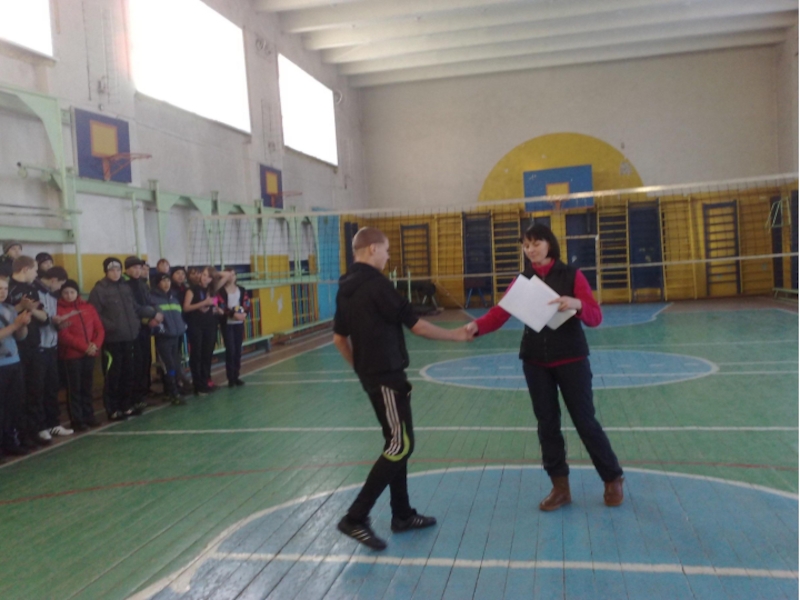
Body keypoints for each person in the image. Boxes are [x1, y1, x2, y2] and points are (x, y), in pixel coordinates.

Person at [464, 223, 624, 510]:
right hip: (535, 362)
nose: (530, 249)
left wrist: (576, 303)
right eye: (526, 245)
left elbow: (595, 316)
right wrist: (477, 326)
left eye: (536, 243)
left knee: (585, 422)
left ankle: (612, 478)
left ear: (549, 243)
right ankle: (560, 487)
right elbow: (500, 313)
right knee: (547, 425)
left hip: (572, 360)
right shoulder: (521, 281)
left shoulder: (572, 275)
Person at [333, 227, 473, 550]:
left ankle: (402, 514)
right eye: (385, 250)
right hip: (386, 376)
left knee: (396, 442)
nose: (388, 256)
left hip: (376, 376)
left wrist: (360, 368)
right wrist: (455, 336)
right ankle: (355, 517)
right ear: (371, 249)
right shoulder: (377, 285)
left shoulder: (345, 287)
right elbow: (417, 325)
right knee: (400, 446)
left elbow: (339, 339)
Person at [89, 257, 158, 421]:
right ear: (106, 271)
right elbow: (94, 314)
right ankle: (113, 409)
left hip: (130, 337)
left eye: (118, 270)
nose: (115, 273)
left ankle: (126, 406)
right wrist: (111, 326)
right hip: (112, 340)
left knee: (129, 373)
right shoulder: (99, 290)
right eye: (112, 270)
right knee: (114, 375)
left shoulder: (125, 287)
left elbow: (134, 308)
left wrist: (151, 312)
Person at [7, 255, 52, 448]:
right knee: (20, 395)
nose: (36, 274)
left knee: (36, 390)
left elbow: (44, 317)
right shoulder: (8, 288)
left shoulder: (33, 289)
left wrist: (32, 310)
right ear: (25, 269)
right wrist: (20, 307)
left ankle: (36, 430)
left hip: (34, 345)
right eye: (34, 270)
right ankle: (21, 434)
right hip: (16, 349)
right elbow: (6, 313)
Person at [57, 280, 104, 431]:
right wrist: (85, 347)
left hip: (90, 354)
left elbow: (99, 329)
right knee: (74, 389)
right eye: (65, 293)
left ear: (77, 293)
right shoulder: (59, 310)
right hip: (71, 356)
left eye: (72, 292)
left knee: (87, 386)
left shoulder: (88, 307)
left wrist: (95, 345)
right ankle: (77, 420)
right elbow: (64, 335)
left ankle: (89, 415)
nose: (69, 295)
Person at [36, 266, 73, 438]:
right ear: (53, 280)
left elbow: (51, 319)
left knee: (52, 387)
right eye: (60, 285)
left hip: (52, 346)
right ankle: (40, 426)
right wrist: (50, 320)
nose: (60, 289)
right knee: (39, 389)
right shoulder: (35, 293)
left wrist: (59, 324)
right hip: (39, 347)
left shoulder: (52, 295)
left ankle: (53, 423)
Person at [182, 267, 228, 395]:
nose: (204, 277)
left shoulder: (211, 290)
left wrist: (213, 273)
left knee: (207, 354)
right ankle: (198, 384)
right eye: (203, 274)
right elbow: (186, 307)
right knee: (197, 354)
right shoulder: (192, 290)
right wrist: (203, 303)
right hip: (196, 325)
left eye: (208, 276)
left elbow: (227, 275)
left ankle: (206, 380)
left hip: (210, 325)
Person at [0, 277, 32, 457]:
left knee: (13, 406)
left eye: (5, 288)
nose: (3, 292)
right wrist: (15, 325)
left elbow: (20, 336)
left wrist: (23, 325)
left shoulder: (9, 309)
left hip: (14, 362)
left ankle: (10, 441)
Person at [148, 273, 188, 405]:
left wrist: (182, 326)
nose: (167, 284)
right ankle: (173, 392)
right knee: (168, 366)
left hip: (176, 336)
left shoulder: (173, 298)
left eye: (168, 281)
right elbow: (151, 319)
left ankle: (174, 389)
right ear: (158, 283)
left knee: (175, 364)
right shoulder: (152, 299)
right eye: (163, 281)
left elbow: (178, 316)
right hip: (164, 338)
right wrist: (160, 329)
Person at [123, 256, 155, 409]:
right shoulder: (125, 286)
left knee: (145, 361)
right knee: (136, 363)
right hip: (134, 329)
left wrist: (156, 314)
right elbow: (133, 307)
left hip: (145, 328)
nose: (137, 271)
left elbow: (150, 301)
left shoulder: (142, 285)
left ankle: (143, 393)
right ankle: (135, 396)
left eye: (139, 268)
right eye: (134, 268)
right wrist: (148, 315)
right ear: (127, 269)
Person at [216, 269, 250, 387]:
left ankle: (236, 375)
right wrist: (233, 314)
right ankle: (230, 377)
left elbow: (246, 303)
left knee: (237, 350)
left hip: (238, 324)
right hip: (227, 324)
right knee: (230, 350)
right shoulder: (221, 291)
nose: (231, 277)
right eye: (229, 274)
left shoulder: (241, 289)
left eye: (233, 274)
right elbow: (221, 305)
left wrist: (244, 313)